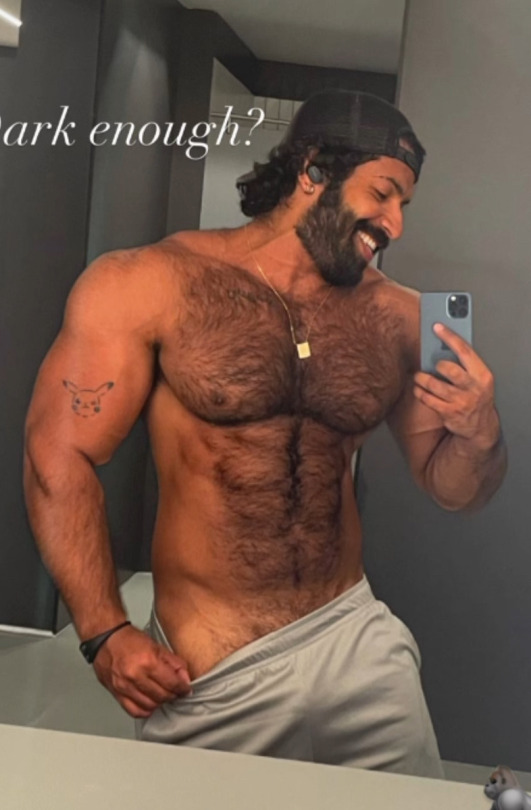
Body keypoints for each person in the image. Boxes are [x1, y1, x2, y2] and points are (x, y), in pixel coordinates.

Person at [23, 90, 507, 777]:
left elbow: (455, 489)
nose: (395, 224)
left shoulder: (410, 319)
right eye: (382, 193)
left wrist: (480, 433)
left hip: (355, 642)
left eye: (405, 203)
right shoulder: (149, 281)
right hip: (211, 665)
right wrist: (103, 631)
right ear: (312, 170)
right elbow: (58, 453)